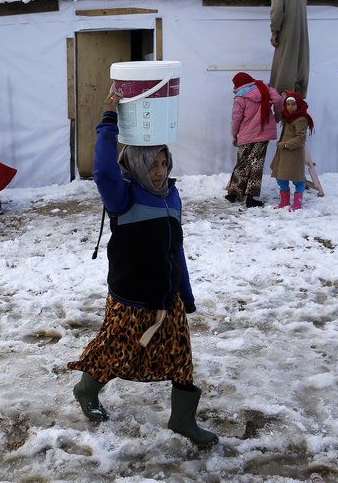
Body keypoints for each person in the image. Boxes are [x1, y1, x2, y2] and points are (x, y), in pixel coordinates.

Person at [67, 92, 218, 448]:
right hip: (130, 298)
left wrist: (186, 294)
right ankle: (86, 389)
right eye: (152, 163)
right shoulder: (124, 196)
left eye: (164, 162)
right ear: (135, 162)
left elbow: (174, 247)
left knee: (182, 356)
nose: (159, 170)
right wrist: (108, 118)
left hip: (168, 296)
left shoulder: (171, 195)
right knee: (115, 352)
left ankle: (182, 419)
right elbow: (103, 170)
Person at [225, 71, 282, 208]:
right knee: (256, 164)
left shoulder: (240, 98)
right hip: (262, 135)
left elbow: (236, 119)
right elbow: (278, 99)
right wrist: (277, 114)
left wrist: (234, 135)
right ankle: (250, 197)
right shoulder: (264, 89)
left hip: (246, 135)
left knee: (242, 162)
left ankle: (234, 193)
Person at [268, 0, 309, 98]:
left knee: (283, 73)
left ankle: (281, 110)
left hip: (286, 32)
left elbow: (277, 10)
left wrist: (274, 32)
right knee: (298, 70)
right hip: (301, 33)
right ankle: (296, 108)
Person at [270, 92, 315, 211]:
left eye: (293, 104)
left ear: (298, 104)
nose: (290, 107)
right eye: (288, 104)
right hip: (284, 153)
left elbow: (301, 138)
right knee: (281, 178)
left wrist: (285, 144)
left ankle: (297, 203)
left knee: (297, 179)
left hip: (294, 154)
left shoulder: (301, 118)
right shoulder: (287, 116)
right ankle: (284, 201)